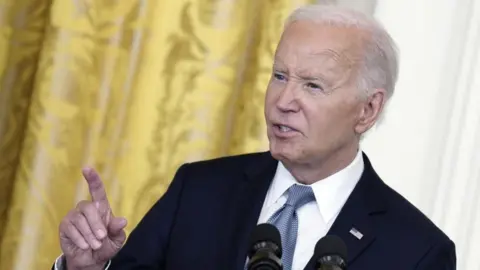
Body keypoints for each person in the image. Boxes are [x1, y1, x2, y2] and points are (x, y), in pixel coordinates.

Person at [53, 4, 456, 270]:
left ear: (368, 110)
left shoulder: (418, 251)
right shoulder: (199, 191)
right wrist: (88, 268)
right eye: (279, 76)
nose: (284, 100)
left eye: (312, 86)